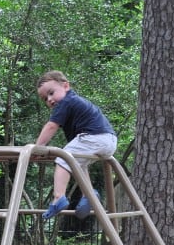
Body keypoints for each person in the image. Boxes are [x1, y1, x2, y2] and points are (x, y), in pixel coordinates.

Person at [34, 70, 117, 220]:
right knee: (77, 164)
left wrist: (37, 147)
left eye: (51, 93)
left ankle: (58, 197)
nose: (50, 99)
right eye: (45, 98)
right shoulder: (73, 104)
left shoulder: (66, 102)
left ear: (66, 86)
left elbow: (51, 126)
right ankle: (89, 194)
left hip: (95, 137)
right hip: (108, 141)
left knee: (63, 159)